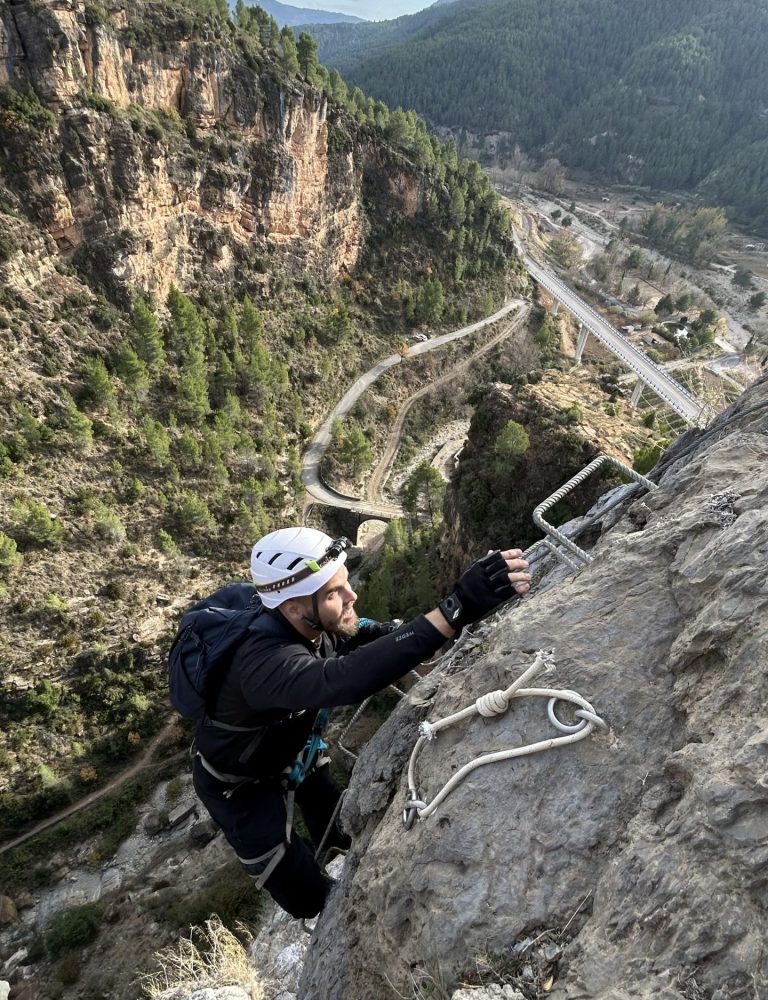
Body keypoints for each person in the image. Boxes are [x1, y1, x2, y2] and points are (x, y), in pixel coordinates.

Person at [193, 526, 531, 919]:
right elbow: (343, 680)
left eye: (344, 583)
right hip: (239, 785)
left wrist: (412, 631)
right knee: (304, 896)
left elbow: (365, 635)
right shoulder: (263, 665)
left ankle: (339, 851)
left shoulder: (310, 619)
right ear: (292, 609)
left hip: (294, 750)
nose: (351, 595)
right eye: (334, 593)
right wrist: (454, 608)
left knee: (338, 829)